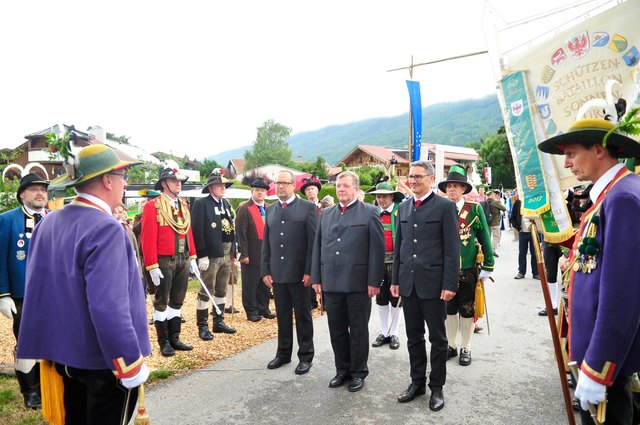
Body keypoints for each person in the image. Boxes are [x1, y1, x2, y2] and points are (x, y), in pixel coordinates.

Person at [17, 145, 151, 424]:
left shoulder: (49, 222)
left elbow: (40, 288)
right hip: (103, 362)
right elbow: (109, 308)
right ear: (107, 180)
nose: (125, 183)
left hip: (65, 357)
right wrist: (128, 363)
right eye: (122, 176)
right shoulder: (106, 227)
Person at [538, 115, 640, 425]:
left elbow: (622, 294)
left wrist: (598, 368)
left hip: (607, 361)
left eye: (570, 153)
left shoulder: (622, 197)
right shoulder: (613, 192)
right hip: (596, 350)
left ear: (598, 150)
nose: (566, 164)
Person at [390, 160, 459, 412]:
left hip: (434, 285)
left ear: (431, 178)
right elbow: (400, 247)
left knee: (438, 339)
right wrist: (396, 279)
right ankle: (417, 382)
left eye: (418, 176)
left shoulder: (444, 207)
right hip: (408, 285)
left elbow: (452, 249)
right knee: (413, 337)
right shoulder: (404, 207)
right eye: (411, 176)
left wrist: (450, 283)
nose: (413, 180)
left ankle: (437, 387)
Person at [311, 171, 385, 392]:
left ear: (355, 189)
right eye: (338, 186)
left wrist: (374, 281)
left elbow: (377, 251)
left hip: (358, 283)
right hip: (332, 282)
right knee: (337, 329)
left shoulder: (370, 213)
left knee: (359, 330)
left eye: (345, 186)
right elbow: (318, 247)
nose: (340, 189)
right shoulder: (326, 214)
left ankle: (358, 372)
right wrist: (317, 277)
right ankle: (342, 370)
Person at [261, 170, 318, 374]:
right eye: (277, 183)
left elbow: (313, 243)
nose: (280, 186)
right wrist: (265, 269)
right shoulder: (271, 209)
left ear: (293, 185)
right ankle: (283, 353)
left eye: (284, 183)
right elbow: (267, 243)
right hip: (278, 273)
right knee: (282, 315)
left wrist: (310, 271)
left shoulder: (308, 208)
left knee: (303, 316)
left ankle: (305, 356)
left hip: (300, 274)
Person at [0, 173, 49, 409]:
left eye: (43, 189)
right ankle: (30, 391)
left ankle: (47, 385)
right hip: (22, 295)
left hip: (52, 295)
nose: (40, 193)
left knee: (50, 341)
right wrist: (3, 294)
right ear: (22, 195)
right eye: (34, 189)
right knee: (27, 343)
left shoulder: (52, 219)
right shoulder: (7, 220)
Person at [438, 165, 494, 366]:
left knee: (467, 308)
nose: (452, 190)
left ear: (464, 189)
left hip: (468, 267)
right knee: (448, 308)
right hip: (444, 269)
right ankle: (451, 345)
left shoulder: (474, 209)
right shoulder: (440, 207)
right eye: (449, 186)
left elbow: (485, 238)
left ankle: (466, 347)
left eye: (456, 186)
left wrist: (488, 265)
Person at [141, 167, 197, 356]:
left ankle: (175, 338)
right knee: (161, 301)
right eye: (174, 180)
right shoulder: (153, 206)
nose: (178, 183)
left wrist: (193, 256)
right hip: (163, 260)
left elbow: (188, 232)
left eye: (180, 180)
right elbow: (147, 238)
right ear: (164, 184)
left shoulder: (183, 205)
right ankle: (163, 342)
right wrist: (152, 265)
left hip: (183, 257)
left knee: (177, 300)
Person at [190, 169, 238, 339]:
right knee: (206, 290)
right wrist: (201, 254)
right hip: (210, 254)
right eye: (219, 185)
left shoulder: (226, 203)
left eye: (224, 184)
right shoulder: (202, 204)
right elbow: (197, 231)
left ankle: (218, 322)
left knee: (221, 288)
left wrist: (235, 248)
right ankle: (202, 326)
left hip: (226, 252)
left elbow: (232, 227)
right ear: (211, 188)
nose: (223, 187)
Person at [368, 182, 404, 351]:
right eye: (378, 196)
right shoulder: (372, 213)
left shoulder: (401, 211)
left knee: (396, 298)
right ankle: (384, 332)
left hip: (396, 262)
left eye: (384, 196)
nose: (381, 199)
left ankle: (394, 332)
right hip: (377, 262)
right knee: (381, 298)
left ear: (392, 196)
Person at [236, 177, 273, 322]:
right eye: (257, 190)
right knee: (250, 284)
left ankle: (264, 308)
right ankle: (251, 310)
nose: (260, 193)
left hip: (266, 254)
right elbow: (241, 233)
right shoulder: (244, 208)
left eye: (262, 190)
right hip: (251, 253)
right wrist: (244, 253)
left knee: (265, 283)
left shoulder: (269, 208)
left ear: (266, 193)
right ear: (252, 192)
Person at [300, 176, 322, 309]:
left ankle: (323, 300)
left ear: (317, 190)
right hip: (308, 245)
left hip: (324, 243)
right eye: (308, 190)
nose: (310, 192)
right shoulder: (302, 208)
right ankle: (310, 300)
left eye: (312, 189)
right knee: (309, 271)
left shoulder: (327, 206)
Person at [510, 199, 539, 280]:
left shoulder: (534, 200)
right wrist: (517, 227)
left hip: (534, 232)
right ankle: (521, 272)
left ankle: (536, 272)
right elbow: (513, 217)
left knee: (535, 253)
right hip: (522, 232)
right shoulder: (518, 202)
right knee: (522, 253)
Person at [486, 190, 506, 257]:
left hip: (487, 222)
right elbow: (504, 208)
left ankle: (487, 250)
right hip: (495, 223)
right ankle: (492, 250)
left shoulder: (485, 202)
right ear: (492, 195)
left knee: (488, 237)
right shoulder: (495, 202)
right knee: (496, 236)